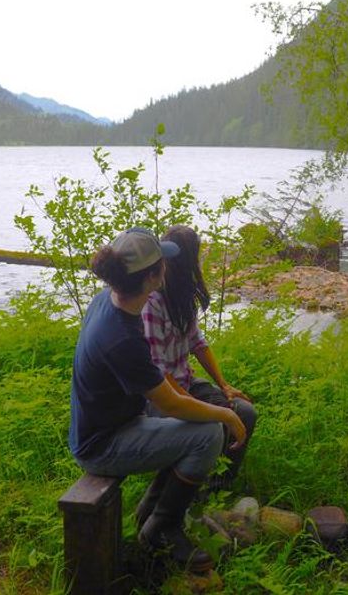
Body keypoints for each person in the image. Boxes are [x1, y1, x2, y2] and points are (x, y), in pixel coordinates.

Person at [69, 227, 247, 573]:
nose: (169, 266)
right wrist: (228, 417)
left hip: (113, 422)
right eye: (163, 262)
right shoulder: (121, 337)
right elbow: (172, 404)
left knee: (196, 424)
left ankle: (149, 510)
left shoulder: (108, 300)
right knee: (208, 434)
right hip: (101, 444)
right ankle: (161, 527)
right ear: (153, 277)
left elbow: (167, 391)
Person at [141, 225, 257, 495]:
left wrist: (224, 385)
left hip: (186, 382)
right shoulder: (153, 302)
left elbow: (198, 344)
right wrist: (192, 405)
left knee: (245, 413)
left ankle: (218, 486)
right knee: (213, 423)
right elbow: (157, 370)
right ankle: (185, 489)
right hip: (160, 396)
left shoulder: (184, 296)